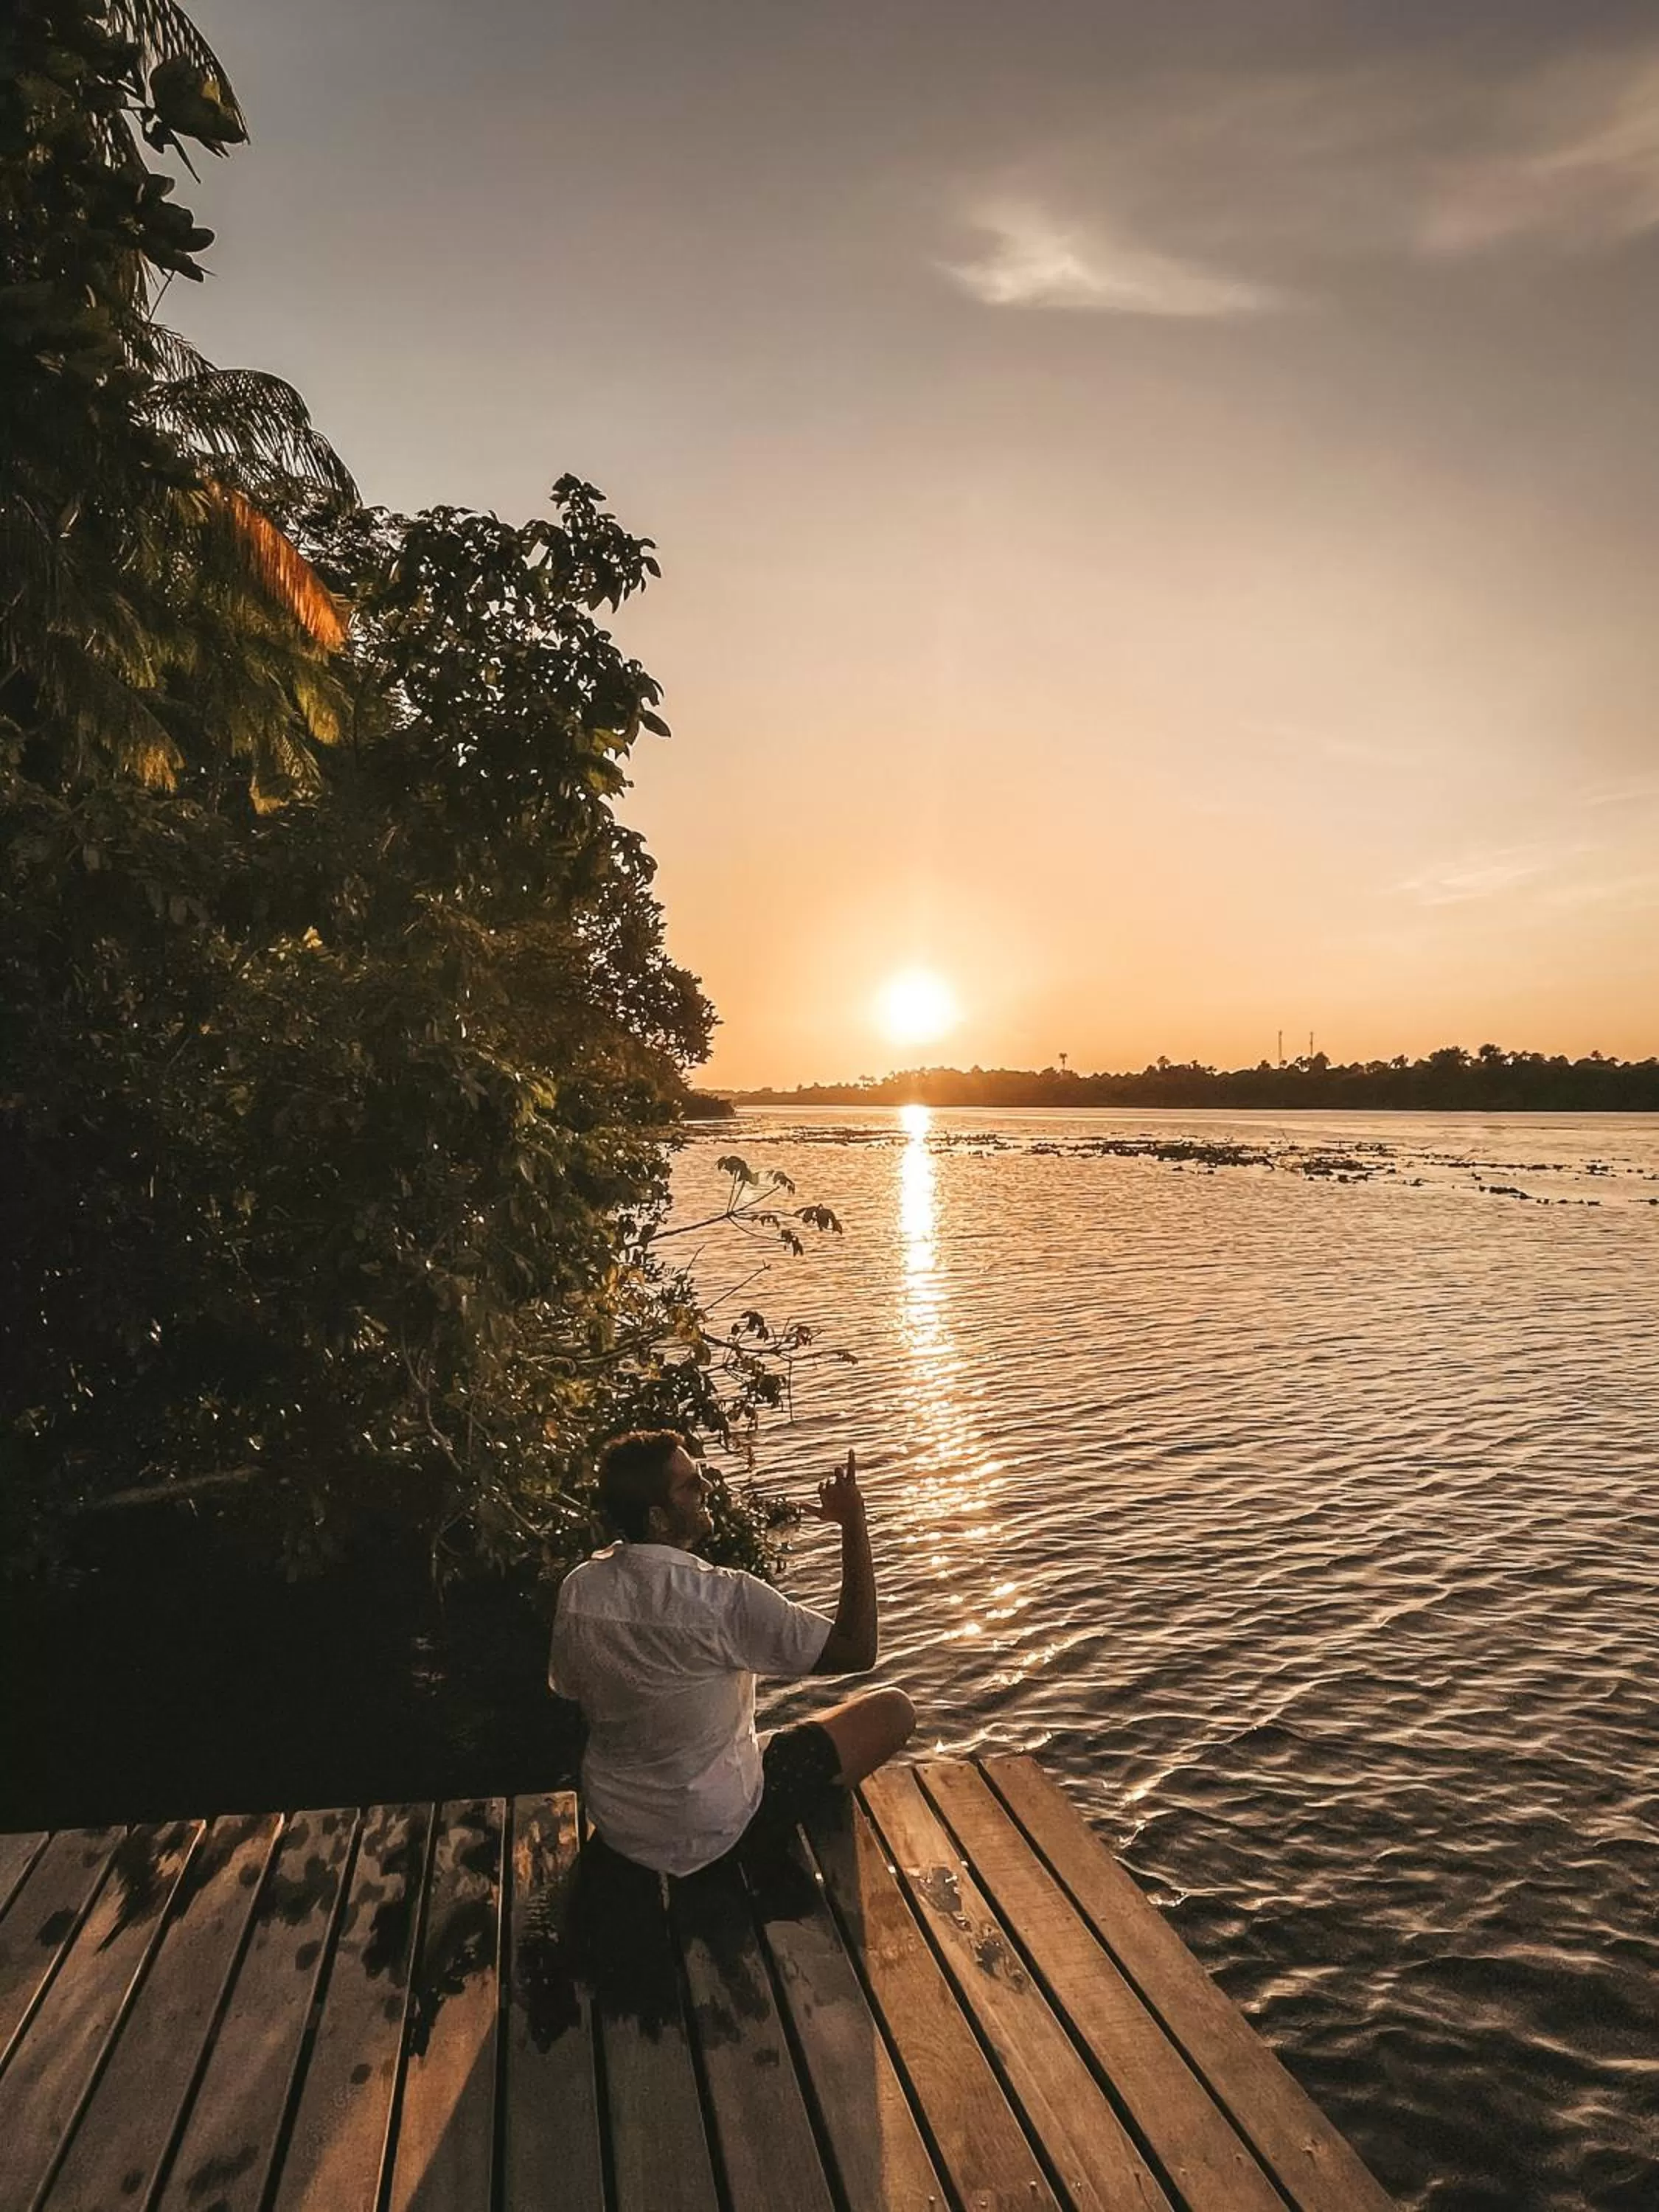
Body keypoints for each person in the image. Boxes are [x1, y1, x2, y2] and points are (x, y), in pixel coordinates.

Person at [549, 1430, 914, 1878]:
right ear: (658, 1519)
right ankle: (766, 1852)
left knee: (747, 1732)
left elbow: (568, 1689)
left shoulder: (580, 1589)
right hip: (717, 1830)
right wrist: (854, 1523)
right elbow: (857, 1651)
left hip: (620, 1827)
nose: (706, 1486)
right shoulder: (723, 1600)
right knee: (894, 1711)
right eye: (689, 1485)